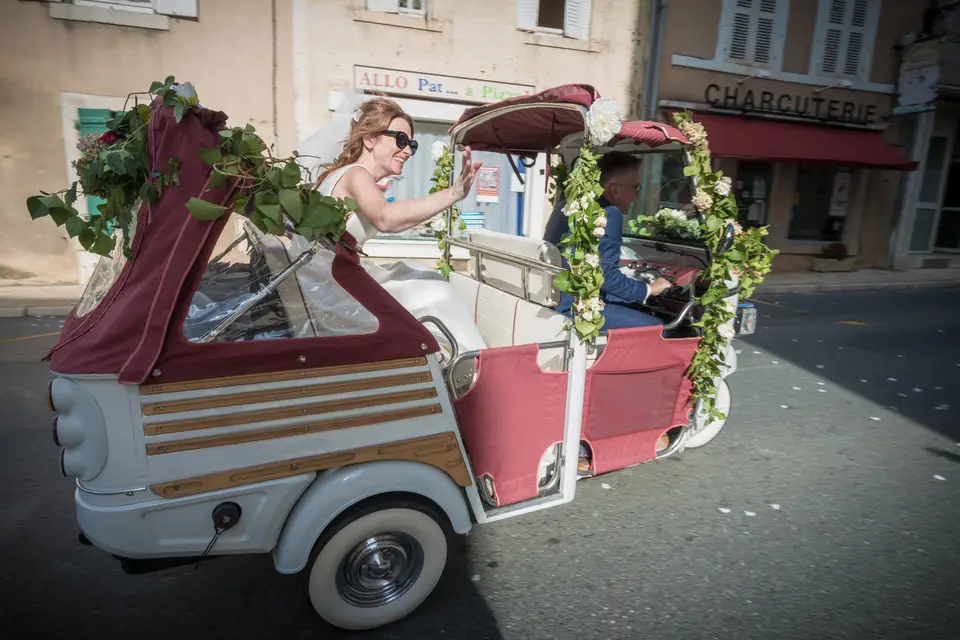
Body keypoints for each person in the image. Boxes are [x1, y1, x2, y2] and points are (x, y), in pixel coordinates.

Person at [288, 94, 487, 358]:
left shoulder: (338, 174)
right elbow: (386, 218)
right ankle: (476, 372)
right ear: (369, 138)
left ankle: (456, 364)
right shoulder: (355, 174)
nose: (408, 150)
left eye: (412, 144)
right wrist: (454, 193)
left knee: (416, 274)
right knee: (434, 290)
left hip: (329, 284)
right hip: (333, 295)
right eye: (401, 140)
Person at [543, 151, 673, 330]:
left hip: (557, 296)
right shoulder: (609, 213)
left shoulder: (569, 204)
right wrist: (649, 289)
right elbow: (606, 276)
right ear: (614, 189)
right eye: (635, 187)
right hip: (575, 306)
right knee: (659, 328)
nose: (637, 196)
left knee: (631, 304)